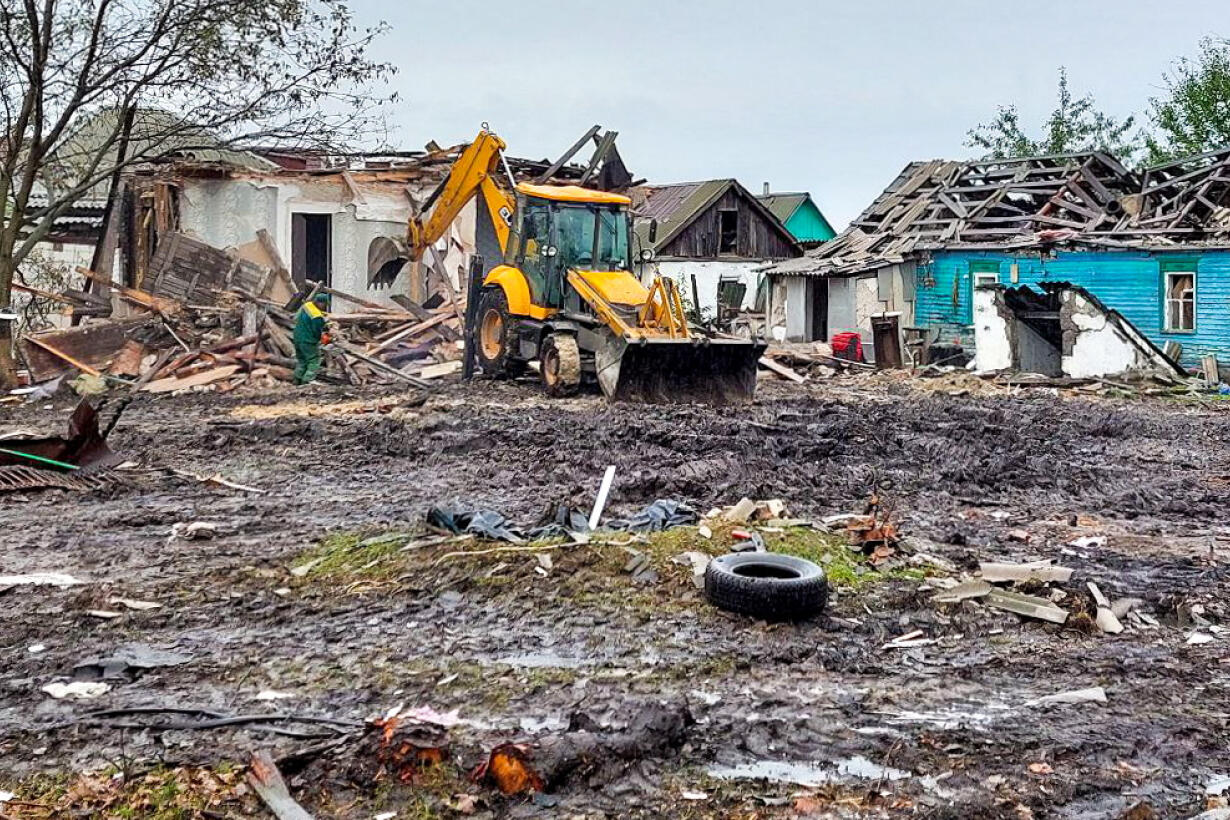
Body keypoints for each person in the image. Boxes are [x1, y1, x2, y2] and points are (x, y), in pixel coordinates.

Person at [293, 292, 332, 385]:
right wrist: (324, 337)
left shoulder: (307, 306)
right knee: (314, 360)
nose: (325, 306)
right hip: (308, 340)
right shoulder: (317, 316)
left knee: (302, 360)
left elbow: (296, 318)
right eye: (325, 304)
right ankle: (307, 380)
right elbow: (317, 331)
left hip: (297, 337)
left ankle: (296, 379)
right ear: (320, 303)